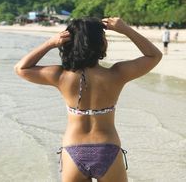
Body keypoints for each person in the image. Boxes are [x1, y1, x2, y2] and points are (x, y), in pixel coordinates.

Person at [14, 17, 162, 182]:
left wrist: (50, 43)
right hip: (108, 148)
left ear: (68, 44)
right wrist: (125, 29)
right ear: (101, 43)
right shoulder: (116, 74)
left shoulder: (60, 76)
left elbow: (21, 68)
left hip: (73, 150)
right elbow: (154, 56)